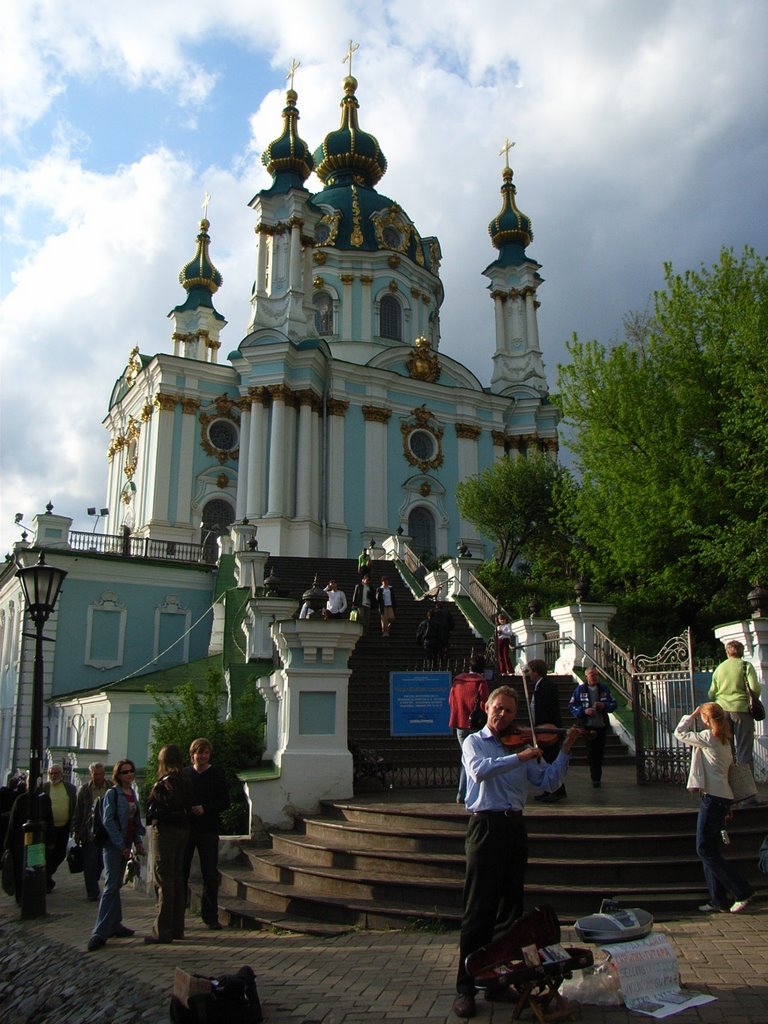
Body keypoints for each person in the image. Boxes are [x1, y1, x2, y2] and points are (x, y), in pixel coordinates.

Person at [452, 685, 582, 1018]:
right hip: (485, 826)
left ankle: (498, 981)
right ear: (488, 707)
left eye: (510, 711)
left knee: (510, 909)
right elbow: (479, 771)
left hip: (514, 826)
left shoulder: (522, 743)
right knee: (478, 909)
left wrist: (564, 750)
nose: (503, 715)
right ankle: (466, 986)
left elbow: (548, 782)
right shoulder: (474, 742)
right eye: (498, 708)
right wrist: (519, 757)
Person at [673, 703, 754, 915]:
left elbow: (679, 733)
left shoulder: (708, 737)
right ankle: (718, 899)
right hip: (722, 797)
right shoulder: (726, 739)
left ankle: (741, 890)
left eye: (702, 717)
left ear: (707, 719)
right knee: (710, 849)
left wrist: (690, 714)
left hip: (713, 798)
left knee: (704, 849)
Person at [87, 758, 146, 950]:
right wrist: (121, 845)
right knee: (111, 886)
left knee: (116, 884)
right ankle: (99, 931)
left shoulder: (132, 794)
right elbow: (108, 822)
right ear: (118, 775)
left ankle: (115, 924)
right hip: (113, 846)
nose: (129, 775)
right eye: (124, 772)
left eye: (131, 771)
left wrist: (137, 842)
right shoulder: (113, 794)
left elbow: (135, 821)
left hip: (127, 844)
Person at [145, 744, 192, 944]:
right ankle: (176, 927)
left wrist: (156, 792)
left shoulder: (168, 781)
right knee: (176, 877)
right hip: (182, 829)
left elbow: (169, 801)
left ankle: (162, 929)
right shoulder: (185, 779)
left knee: (163, 877)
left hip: (166, 830)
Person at [183, 737, 230, 931]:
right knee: (182, 871)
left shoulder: (216, 774)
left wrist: (206, 808)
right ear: (192, 755)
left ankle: (210, 915)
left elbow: (224, 801)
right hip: (187, 829)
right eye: (199, 753)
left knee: (210, 874)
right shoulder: (185, 775)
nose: (202, 756)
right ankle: (179, 912)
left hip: (209, 829)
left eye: (205, 753)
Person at [709, 640, 761, 791]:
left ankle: (729, 792)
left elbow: (711, 693)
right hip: (742, 711)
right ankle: (747, 794)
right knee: (744, 752)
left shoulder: (719, 668)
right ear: (742, 651)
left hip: (722, 713)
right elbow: (755, 689)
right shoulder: (746, 666)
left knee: (727, 752)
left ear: (727, 652)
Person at [448, 656, 490, 804]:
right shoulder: (480, 682)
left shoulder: (458, 681)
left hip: (460, 723)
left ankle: (462, 792)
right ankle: (468, 793)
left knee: (466, 758)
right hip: (475, 725)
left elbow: (451, 700)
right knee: (473, 759)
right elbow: (485, 704)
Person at [569, 668, 618, 788]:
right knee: (591, 751)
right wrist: (584, 711)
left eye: (596, 675)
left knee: (599, 751)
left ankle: (597, 776)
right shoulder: (580, 690)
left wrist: (604, 705)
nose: (594, 677)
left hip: (601, 725)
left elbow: (613, 703)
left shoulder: (603, 689)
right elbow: (572, 705)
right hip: (587, 726)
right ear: (586, 677)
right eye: (592, 675)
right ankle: (594, 777)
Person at [526, 660, 566, 803]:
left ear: (536, 671)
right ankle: (549, 788)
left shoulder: (545, 686)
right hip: (542, 728)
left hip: (547, 729)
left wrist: (542, 728)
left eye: (530, 670)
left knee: (550, 760)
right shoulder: (541, 685)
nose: (529, 673)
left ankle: (557, 790)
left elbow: (545, 709)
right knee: (545, 760)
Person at [72, 761, 111, 900]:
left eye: (101, 774)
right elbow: (78, 812)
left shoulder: (110, 788)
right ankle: (92, 891)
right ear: (91, 774)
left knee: (100, 862)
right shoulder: (85, 790)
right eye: (95, 774)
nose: (98, 777)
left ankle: (94, 879)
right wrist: (76, 831)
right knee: (90, 861)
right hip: (89, 831)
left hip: (106, 831)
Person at [42, 764, 77, 892]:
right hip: (48, 828)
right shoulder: (44, 787)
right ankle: (46, 879)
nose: (53, 776)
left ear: (61, 774)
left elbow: (73, 804)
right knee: (48, 853)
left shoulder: (69, 788)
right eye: (51, 773)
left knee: (60, 853)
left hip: (64, 826)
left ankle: (47, 875)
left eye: (56, 773)